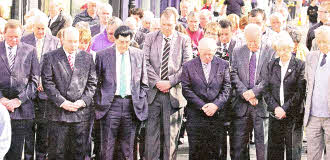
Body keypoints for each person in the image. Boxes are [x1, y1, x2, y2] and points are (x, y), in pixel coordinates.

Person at [41, 27, 97, 159]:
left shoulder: (87, 57)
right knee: (58, 152)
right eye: (70, 41)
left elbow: (92, 82)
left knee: (78, 153)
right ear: (62, 40)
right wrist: (62, 102)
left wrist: (83, 101)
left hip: (80, 114)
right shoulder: (50, 57)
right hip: (58, 113)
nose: (73, 45)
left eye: (76, 41)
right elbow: (47, 83)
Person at [143, 8, 192, 160]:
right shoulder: (150, 37)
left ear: (175, 23)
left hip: (174, 95)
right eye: (163, 24)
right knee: (151, 138)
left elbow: (187, 66)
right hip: (153, 94)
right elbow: (144, 62)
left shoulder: (184, 40)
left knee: (170, 139)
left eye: (169, 25)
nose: (166, 28)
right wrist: (157, 82)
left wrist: (169, 82)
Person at [94, 25, 148, 160]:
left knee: (128, 148)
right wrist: (100, 102)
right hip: (111, 105)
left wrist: (139, 99)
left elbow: (144, 82)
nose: (124, 45)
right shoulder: (103, 55)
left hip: (131, 105)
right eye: (121, 42)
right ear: (115, 40)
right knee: (107, 147)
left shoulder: (138, 55)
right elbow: (96, 82)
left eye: (127, 42)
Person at [230, 23, 275, 160]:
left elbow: (269, 77)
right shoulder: (237, 51)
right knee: (239, 146)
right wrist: (245, 93)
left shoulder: (271, 52)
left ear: (261, 36)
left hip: (261, 105)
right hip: (242, 105)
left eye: (254, 41)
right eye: (248, 41)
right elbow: (233, 74)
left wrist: (254, 92)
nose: (251, 44)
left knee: (263, 146)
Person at [181, 37, 231, 160]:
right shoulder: (189, 66)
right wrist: (202, 106)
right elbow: (186, 88)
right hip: (196, 115)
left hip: (217, 115)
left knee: (217, 151)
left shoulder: (223, 65)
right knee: (197, 152)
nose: (208, 57)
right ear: (199, 51)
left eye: (211, 54)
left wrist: (216, 105)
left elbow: (227, 88)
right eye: (205, 54)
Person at [20, 14, 60, 160]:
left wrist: (44, 81)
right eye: (38, 29)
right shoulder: (24, 40)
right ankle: (29, 157)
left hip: (45, 95)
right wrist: (33, 82)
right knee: (28, 130)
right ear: (32, 27)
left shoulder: (55, 42)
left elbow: (56, 67)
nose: (41, 32)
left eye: (43, 29)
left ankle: (42, 157)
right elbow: (22, 66)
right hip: (29, 93)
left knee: (44, 131)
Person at [1, 19, 39, 160]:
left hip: (21, 110)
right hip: (0, 107)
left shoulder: (30, 51)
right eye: (10, 36)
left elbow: (34, 81)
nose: (13, 39)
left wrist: (19, 100)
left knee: (16, 152)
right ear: (4, 34)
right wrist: (2, 99)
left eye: (17, 36)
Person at [264, 31, 305, 160]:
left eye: (286, 49)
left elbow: (300, 91)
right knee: (274, 150)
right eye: (279, 50)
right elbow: (266, 89)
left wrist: (284, 108)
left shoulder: (300, 65)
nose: (282, 52)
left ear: (291, 48)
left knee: (293, 150)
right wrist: (276, 107)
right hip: (275, 114)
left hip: (293, 115)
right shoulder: (271, 65)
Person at [304, 25, 330, 160]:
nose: (321, 45)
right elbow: (306, 84)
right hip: (313, 116)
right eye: (319, 41)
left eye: (325, 41)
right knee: (312, 155)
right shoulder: (311, 57)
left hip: (329, 116)